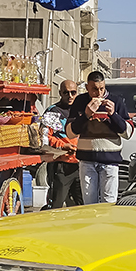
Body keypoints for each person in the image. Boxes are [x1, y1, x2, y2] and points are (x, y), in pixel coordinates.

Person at [69, 71, 131, 204]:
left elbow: (128, 132)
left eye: (102, 88)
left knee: (109, 203)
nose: (99, 93)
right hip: (87, 160)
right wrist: (86, 115)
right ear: (87, 88)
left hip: (110, 161)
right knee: (89, 203)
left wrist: (113, 114)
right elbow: (70, 132)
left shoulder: (116, 101)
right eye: (94, 89)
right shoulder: (80, 101)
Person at [43, 79, 82, 208]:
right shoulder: (52, 112)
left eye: (73, 92)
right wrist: (62, 145)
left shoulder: (83, 111)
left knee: (84, 207)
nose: (70, 96)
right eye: (66, 93)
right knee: (56, 205)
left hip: (82, 165)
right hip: (60, 165)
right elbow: (44, 138)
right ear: (60, 93)